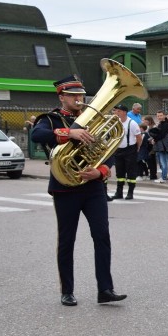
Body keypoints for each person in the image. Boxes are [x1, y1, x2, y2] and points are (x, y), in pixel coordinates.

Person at [31, 74, 126, 307]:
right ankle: (67, 290)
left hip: (93, 187)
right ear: (62, 97)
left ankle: (105, 289)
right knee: (67, 240)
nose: (78, 98)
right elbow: (36, 135)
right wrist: (68, 133)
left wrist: (101, 171)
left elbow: (109, 150)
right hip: (65, 188)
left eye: (81, 94)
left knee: (102, 236)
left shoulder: (92, 119)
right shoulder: (52, 119)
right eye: (73, 95)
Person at [110, 104, 142, 200]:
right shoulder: (117, 122)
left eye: (118, 111)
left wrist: (138, 147)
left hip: (130, 150)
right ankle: (119, 192)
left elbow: (139, 138)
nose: (116, 113)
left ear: (124, 112)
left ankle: (130, 192)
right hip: (119, 150)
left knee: (131, 172)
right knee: (120, 172)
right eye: (116, 111)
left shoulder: (132, 123)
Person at [151, 110, 168, 183]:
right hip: (160, 145)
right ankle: (163, 176)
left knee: (163, 162)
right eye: (158, 116)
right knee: (162, 161)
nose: (159, 117)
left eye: (160, 115)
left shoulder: (165, 124)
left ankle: (163, 177)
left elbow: (162, 135)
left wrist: (155, 139)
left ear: (164, 116)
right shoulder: (160, 123)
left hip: (163, 146)